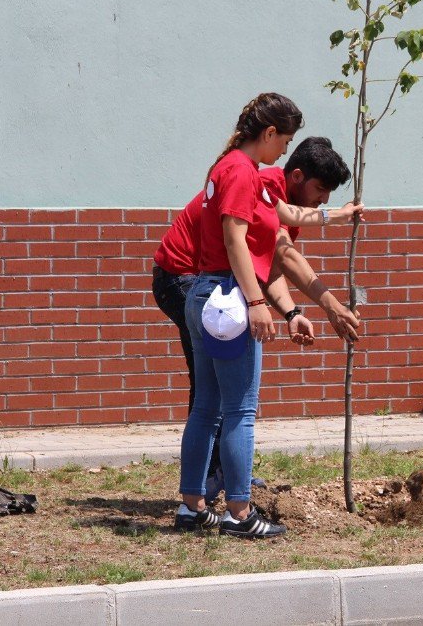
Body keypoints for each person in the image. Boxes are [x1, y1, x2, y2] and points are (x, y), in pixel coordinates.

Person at [174, 93, 360, 539]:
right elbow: (236, 239)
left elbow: (283, 214)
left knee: (206, 409)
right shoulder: (242, 171)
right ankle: (240, 513)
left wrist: (335, 215)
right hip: (229, 296)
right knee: (241, 411)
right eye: (285, 139)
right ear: (269, 132)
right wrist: (257, 303)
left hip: (202, 294)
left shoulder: (230, 168)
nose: (284, 151)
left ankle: (191, 507)